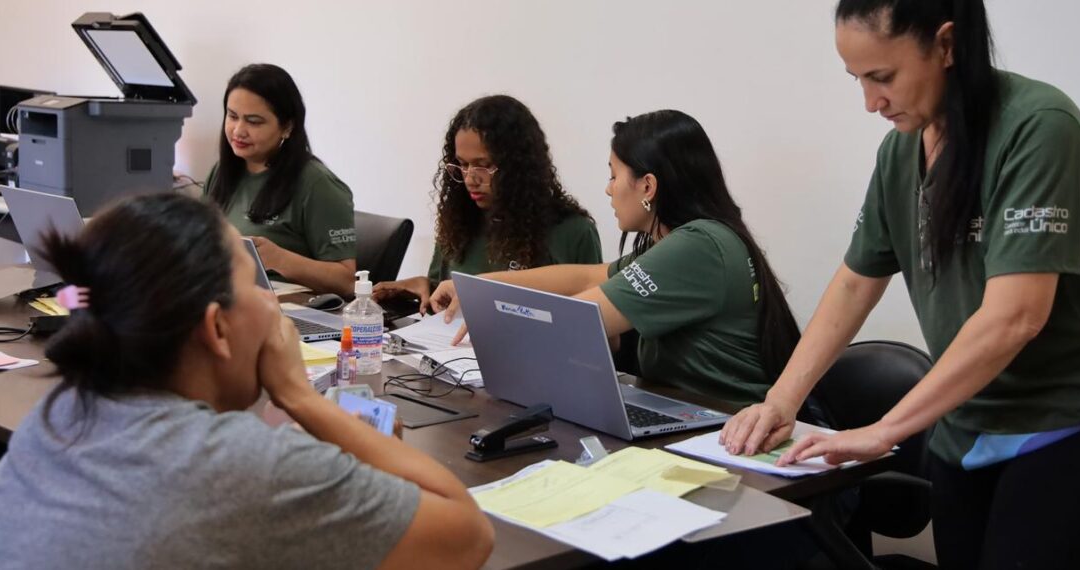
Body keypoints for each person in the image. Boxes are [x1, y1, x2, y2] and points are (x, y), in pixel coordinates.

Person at [720, 1, 1080, 568]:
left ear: (945, 46)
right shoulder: (900, 152)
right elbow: (855, 281)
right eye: (858, 80)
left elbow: (1016, 317)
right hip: (966, 420)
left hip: (1067, 420)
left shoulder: (1039, 128)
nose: (870, 103)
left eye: (882, 77)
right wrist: (781, 400)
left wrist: (885, 429)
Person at [0, 194, 493, 569]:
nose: (271, 303)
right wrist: (299, 395)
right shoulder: (245, 467)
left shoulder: (58, 414)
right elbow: (468, 536)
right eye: (256, 286)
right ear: (216, 329)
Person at [431, 110, 801, 407]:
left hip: (725, 424)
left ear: (648, 186)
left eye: (614, 175)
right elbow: (586, 278)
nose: (608, 189)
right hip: (692, 410)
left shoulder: (697, 247)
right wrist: (481, 286)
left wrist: (492, 317)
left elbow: (573, 321)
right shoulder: (691, 240)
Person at [373, 95, 602, 313]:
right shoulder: (458, 221)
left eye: (483, 165)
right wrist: (425, 286)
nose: (470, 179)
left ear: (518, 166)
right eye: (462, 165)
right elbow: (445, 292)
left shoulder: (572, 232)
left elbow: (604, 335)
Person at [205, 63, 357, 297]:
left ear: (287, 127)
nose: (238, 130)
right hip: (227, 299)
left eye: (254, 121)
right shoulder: (222, 172)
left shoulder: (316, 184)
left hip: (287, 314)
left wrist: (279, 259)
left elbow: (347, 281)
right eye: (232, 116)